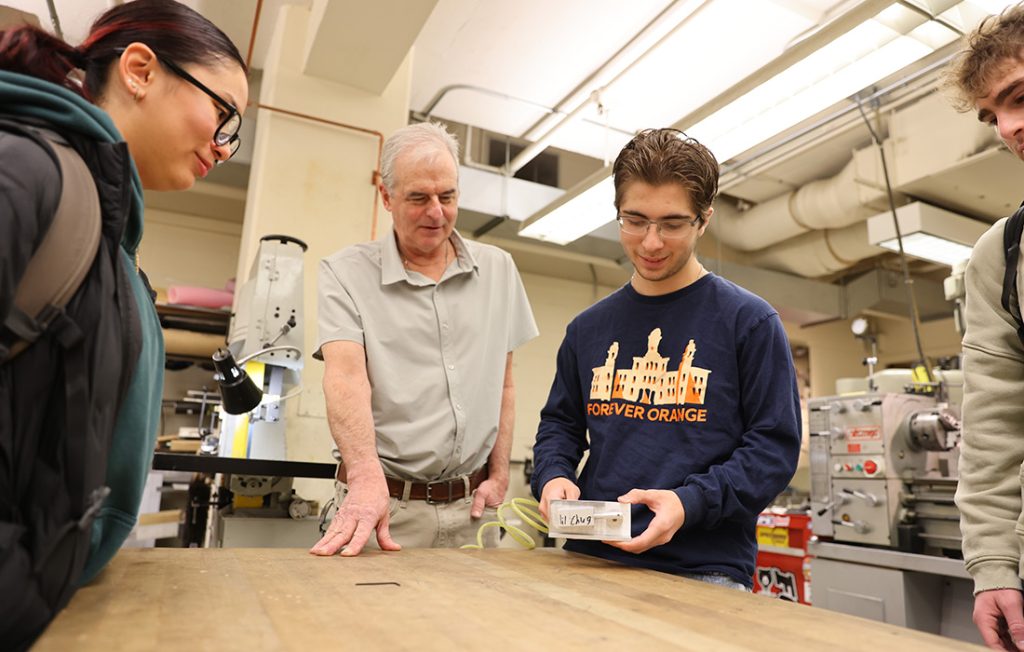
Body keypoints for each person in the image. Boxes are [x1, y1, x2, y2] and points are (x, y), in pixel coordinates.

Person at [0, 0, 248, 646]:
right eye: (223, 115)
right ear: (140, 70)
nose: (224, 148)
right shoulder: (29, 173)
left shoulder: (116, 250)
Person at [531, 128, 801, 590]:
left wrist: (689, 502)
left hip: (703, 568)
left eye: (672, 224)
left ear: (703, 220)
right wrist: (553, 475)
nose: (651, 242)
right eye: (634, 220)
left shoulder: (749, 322)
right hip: (592, 558)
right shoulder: (587, 329)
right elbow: (561, 426)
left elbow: (772, 449)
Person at [310, 121, 538, 557]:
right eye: (418, 198)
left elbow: (504, 383)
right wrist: (363, 476)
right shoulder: (345, 274)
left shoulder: (499, 270)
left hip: (474, 511)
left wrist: (500, 475)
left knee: (475, 626)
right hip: (386, 509)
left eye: (447, 197)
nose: (436, 213)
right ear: (387, 197)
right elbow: (346, 379)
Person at [949, 5, 1024, 650]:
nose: (1008, 126)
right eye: (992, 113)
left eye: (1019, 97)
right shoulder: (1003, 255)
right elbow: (995, 422)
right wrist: (994, 566)